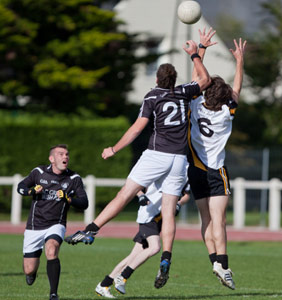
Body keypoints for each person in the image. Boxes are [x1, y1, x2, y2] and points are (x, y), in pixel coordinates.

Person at [65, 39, 212, 289]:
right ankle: (166, 256)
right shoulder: (183, 93)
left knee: (125, 194)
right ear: (174, 80)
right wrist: (196, 55)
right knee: (168, 211)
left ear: (157, 79)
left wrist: (113, 148)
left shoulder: (152, 96)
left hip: (156, 154)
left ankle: (90, 229)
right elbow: (204, 80)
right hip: (179, 159)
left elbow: (136, 129)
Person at [187, 30, 245, 290]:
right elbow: (238, 88)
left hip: (195, 170)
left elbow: (197, 79)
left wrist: (200, 51)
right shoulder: (226, 112)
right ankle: (223, 264)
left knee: (206, 221)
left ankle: (214, 262)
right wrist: (240, 61)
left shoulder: (195, 104)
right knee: (219, 220)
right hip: (217, 172)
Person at [17, 144, 89, 300]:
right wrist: (31, 191)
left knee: (51, 249)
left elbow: (84, 203)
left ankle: (53, 294)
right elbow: (20, 186)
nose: (65, 157)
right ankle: (32, 273)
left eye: (67, 154)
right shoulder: (39, 172)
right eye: (61, 154)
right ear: (52, 158)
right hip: (34, 226)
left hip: (56, 224)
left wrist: (68, 199)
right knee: (28, 269)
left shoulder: (74, 179)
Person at [94, 186, 190, 298]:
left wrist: (179, 203)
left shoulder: (183, 172)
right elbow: (136, 185)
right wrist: (141, 195)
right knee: (155, 247)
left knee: (133, 257)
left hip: (160, 220)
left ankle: (103, 285)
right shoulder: (159, 169)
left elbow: (187, 195)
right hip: (148, 216)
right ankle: (123, 276)